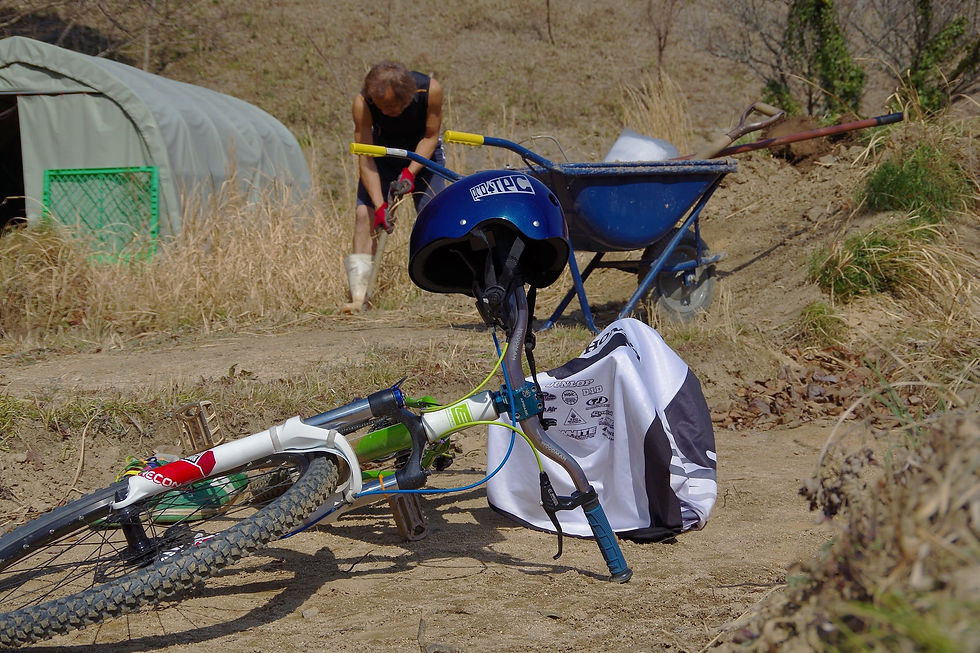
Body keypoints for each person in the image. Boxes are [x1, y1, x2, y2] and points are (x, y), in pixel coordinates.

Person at [345, 61, 447, 312]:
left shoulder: (430, 90)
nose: (385, 111)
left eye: (391, 106)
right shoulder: (362, 103)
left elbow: (431, 136)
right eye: (381, 106)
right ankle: (359, 296)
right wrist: (380, 205)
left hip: (423, 153)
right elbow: (365, 156)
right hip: (381, 155)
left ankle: (448, 285)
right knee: (364, 215)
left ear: (408, 97)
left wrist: (410, 172)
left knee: (436, 213)